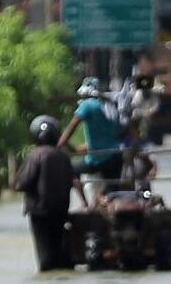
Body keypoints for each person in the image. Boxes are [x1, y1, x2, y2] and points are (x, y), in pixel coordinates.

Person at [15, 115, 88, 272]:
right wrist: (85, 204)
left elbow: (21, 184)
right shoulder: (63, 157)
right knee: (59, 254)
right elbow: (74, 182)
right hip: (60, 212)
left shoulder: (34, 155)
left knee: (46, 260)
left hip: (39, 213)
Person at [57, 78, 124, 203]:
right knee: (113, 192)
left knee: (70, 172)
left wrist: (59, 146)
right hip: (116, 156)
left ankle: (85, 204)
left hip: (97, 159)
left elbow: (70, 130)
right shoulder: (109, 103)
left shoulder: (87, 105)